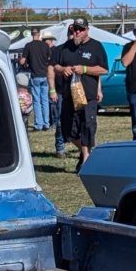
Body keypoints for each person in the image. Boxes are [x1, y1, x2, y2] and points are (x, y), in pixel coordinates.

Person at [51, 17, 108, 165]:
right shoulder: (65, 47)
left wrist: (85, 69)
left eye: (81, 29)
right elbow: (54, 66)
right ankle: (85, 153)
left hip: (88, 95)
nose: (78, 32)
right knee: (67, 129)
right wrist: (63, 69)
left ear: (87, 30)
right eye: (75, 29)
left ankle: (86, 160)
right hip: (69, 94)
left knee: (87, 126)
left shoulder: (96, 46)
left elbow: (103, 69)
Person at [19, 27, 53, 132]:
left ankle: (38, 124)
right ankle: (46, 123)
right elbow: (50, 59)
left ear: (31, 34)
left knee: (37, 101)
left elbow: (22, 62)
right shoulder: (45, 45)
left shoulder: (28, 46)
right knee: (45, 100)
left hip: (35, 76)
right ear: (39, 34)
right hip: (45, 75)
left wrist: (22, 59)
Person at [50, 25, 75, 156]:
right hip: (61, 90)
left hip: (78, 90)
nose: (73, 36)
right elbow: (51, 70)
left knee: (80, 120)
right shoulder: (58, 50)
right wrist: (52, 89)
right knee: (60, 120)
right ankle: (60, 146)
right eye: (71, 34)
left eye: (75, 33)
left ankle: (83, 145)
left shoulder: (81, 50)